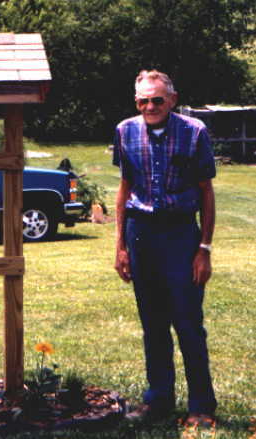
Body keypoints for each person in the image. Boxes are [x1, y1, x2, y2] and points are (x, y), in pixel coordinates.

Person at [112, 70, 217, 426]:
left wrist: (204, 248)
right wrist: (121, 248)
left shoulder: (193, 132)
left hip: (180, 235)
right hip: (141, 234)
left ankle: (201, 407)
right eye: (143, 100)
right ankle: (157, 401)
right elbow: (125, 190)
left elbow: (206, 191)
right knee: (153, 324)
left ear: (172, 99)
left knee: (188, 323)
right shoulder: (125, 131)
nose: (150, 106)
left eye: (157, 99)